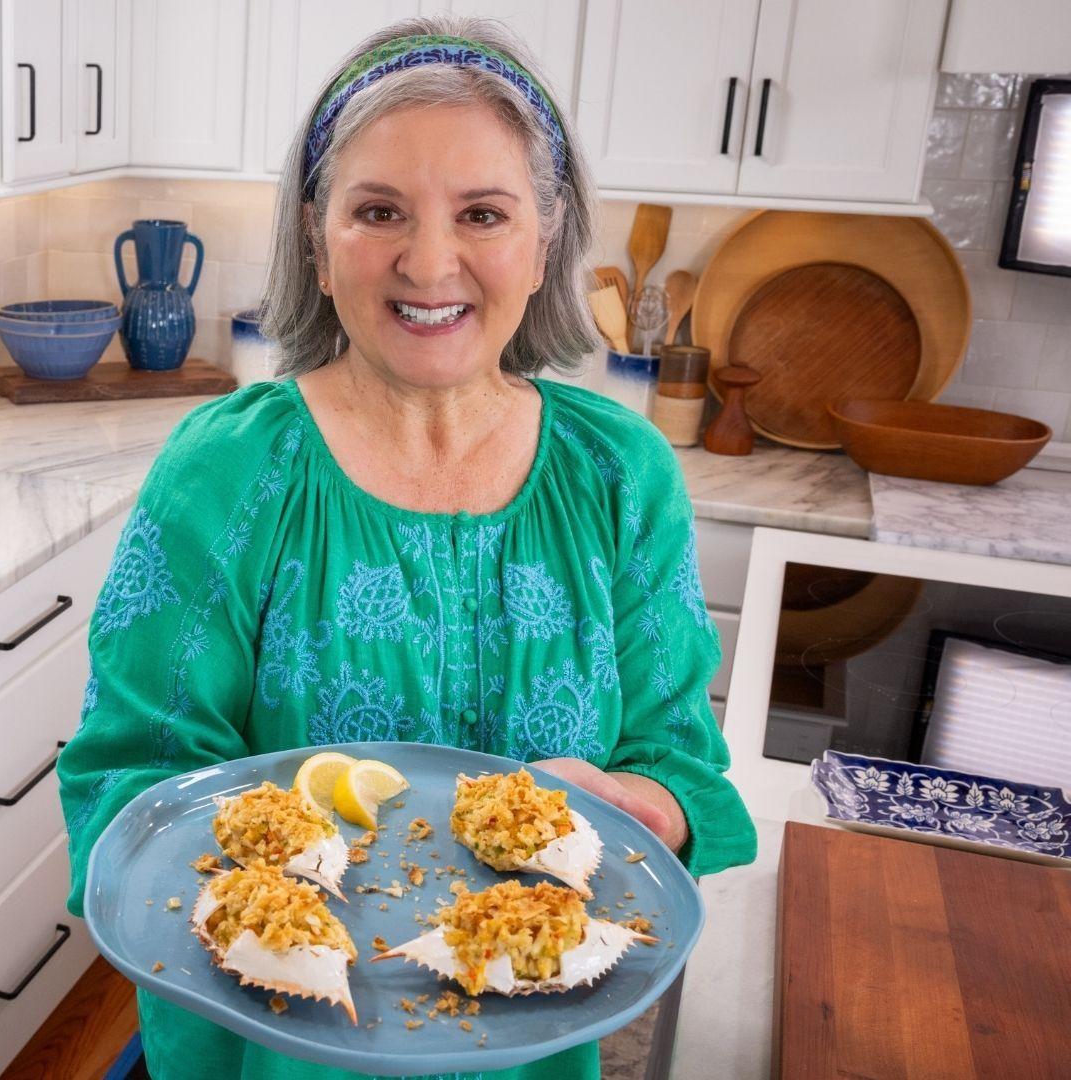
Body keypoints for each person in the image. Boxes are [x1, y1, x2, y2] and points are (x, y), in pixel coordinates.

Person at [56, 13, 757, 1080]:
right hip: (269, 1055)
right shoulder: (228, 471)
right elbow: (125, 783)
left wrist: (641, 806)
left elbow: (679, 765)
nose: (431, 263)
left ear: (546, 238)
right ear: (315, 238)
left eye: (483, 212)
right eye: (378, 210)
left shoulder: (622, 473)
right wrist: (264, 884)